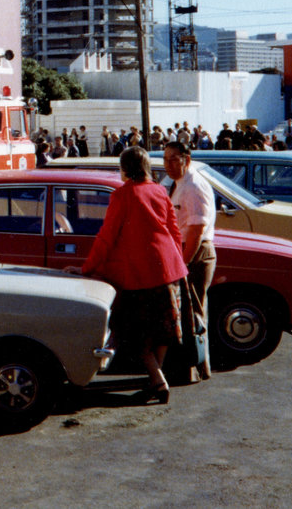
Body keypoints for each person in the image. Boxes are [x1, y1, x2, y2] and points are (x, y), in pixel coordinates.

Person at [67, 146, 187, 404]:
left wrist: (87, 269)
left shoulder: (123, 196)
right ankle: (156, 378)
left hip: (138, 276)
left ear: (126, 168)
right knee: (162, 331)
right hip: (168, 272)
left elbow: (106, 238)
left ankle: (157, 380)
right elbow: (174, 233)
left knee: (135, 333)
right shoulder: (160, 191)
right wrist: (176, 263)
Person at [164, 140, 216, 381]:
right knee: (189, 314)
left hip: (194, 253)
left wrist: (183, 266)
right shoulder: (177, 184)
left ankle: (196, 369)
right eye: (165, 159)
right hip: (184, 251)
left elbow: (196, 230)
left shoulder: (193, 186)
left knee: (193, 315)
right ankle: (193, 369)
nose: (169, 164)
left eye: (174, 159)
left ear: (187, 159)